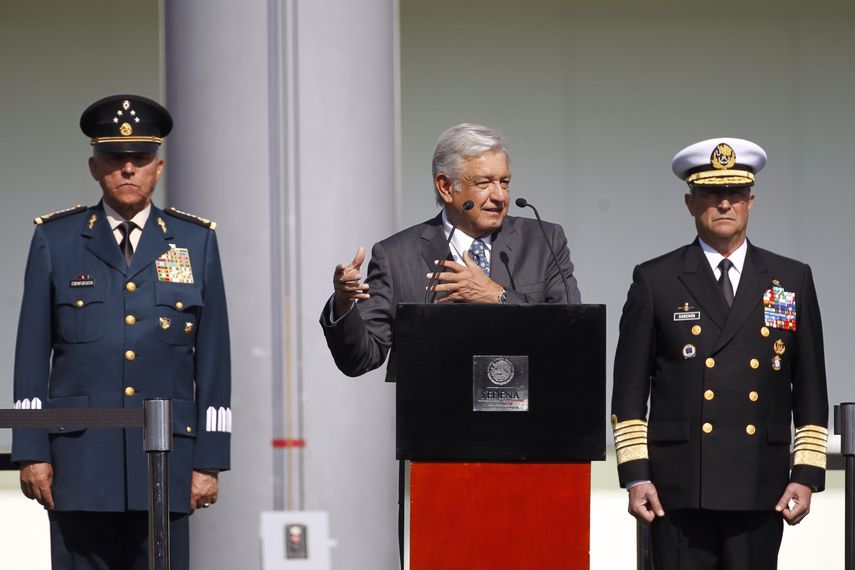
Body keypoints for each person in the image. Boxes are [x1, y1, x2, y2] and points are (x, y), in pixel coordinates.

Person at [11, 94, 231, 570]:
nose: (128, 169)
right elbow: (30, 356)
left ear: (159, 167)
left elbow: (214, 362)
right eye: (115, 158)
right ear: (95, 167)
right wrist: (30, 450)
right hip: (78, 463)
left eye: (140, 159)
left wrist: (210, 460)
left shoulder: (195, 242)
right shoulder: (56, 240)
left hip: (167, 461)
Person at [611, 137, 828, 569]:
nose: (724, 204)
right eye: (712, 194)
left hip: (759, 484)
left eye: (734, 194)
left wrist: (805, 475)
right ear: (691, 203)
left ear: (751, 201)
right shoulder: (656, 280)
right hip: (680, 486)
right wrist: (636, 476)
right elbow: (629, 391)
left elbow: (810, 389)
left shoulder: (790, 277)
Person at [320, 123, 582, 379]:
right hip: (438, 418)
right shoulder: (397, 257)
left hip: (532, 417)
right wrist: (343, 305)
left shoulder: (543, 241)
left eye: (504, 182)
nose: (500, 196)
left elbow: (575, 332)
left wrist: (497, 295)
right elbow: (359, 360)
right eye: (484, 183)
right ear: (446, 187)